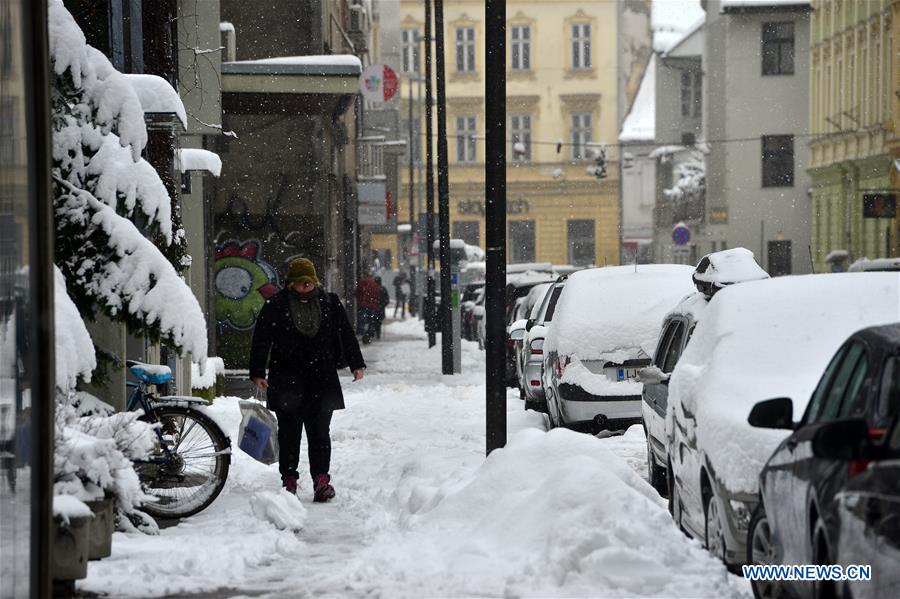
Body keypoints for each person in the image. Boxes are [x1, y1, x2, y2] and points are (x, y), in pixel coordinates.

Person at [249, 257, 365, 501]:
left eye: (309, 282)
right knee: (289, 433)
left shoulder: (330, 303)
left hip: (321, 378)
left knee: (320, 432)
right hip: (286, 378)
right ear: (291, 284)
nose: (305, 286)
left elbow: (345, 333)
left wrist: (356, 363)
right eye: (301, 283)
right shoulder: (276, 305)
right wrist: (258, 372)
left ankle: (321, 480)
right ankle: (289, 480)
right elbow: (262, 338)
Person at [355, 271, 381, 344]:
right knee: (371, 321)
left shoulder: (361, 282)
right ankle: (369, 334)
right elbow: (377, 295)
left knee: (362, 320)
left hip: (363, 305)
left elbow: (357, 292)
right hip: (372, 306)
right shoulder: (374, 284)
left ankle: (362, 333)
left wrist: (360, 300)